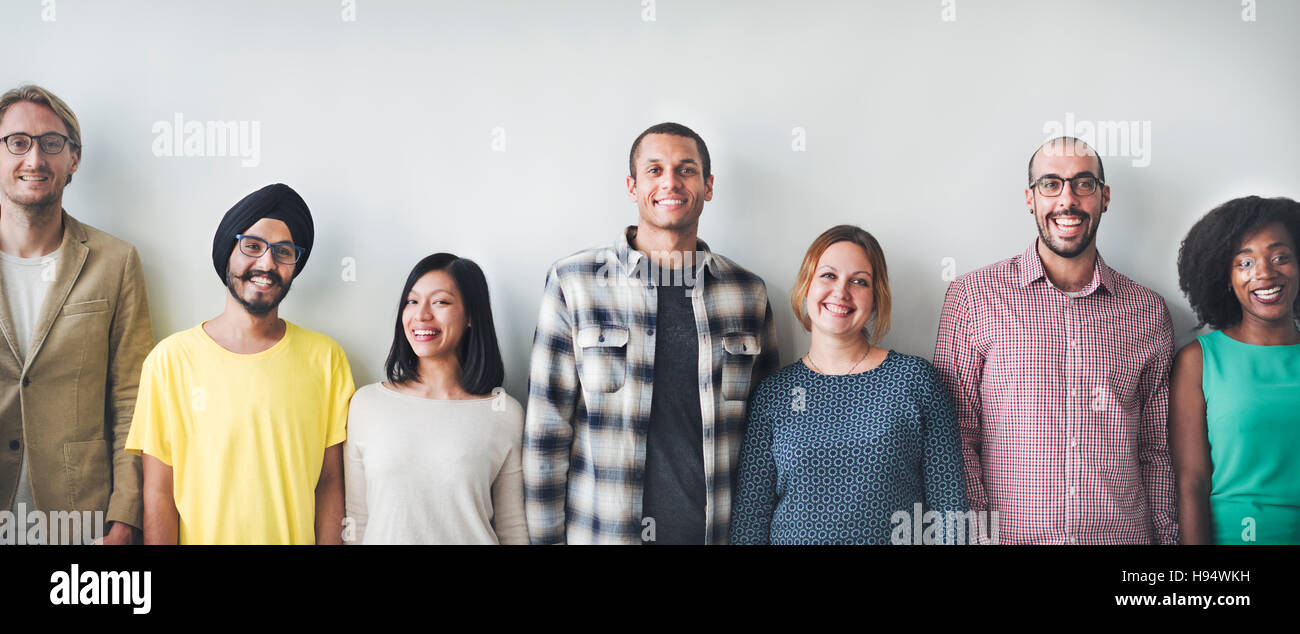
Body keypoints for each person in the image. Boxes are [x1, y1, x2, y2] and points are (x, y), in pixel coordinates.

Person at [523, 122, 779, 544]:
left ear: (708, 185)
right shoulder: (575, 282)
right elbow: (546, 433)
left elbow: (766, 436)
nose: (670, 182)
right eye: (654, 170)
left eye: (686, 169)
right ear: (632, 186)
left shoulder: (747, 293)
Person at [933, 136, 1178, 544]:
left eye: (1084, 183)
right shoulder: (973, 296)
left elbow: (1156, 450)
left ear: (1105, 197)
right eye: (1051, 184)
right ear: (1030, 198)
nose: (1068, 199)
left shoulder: (1148, 311)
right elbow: (956, 436)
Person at [126, 183, 354, 545]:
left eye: (283, 252)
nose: (266, 264)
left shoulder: (326, 359)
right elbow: (158, 494)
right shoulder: (169, 361)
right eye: (252, 246)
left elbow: (329, 485)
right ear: (227, 253)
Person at [731, 225, 967, 545]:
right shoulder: (774, 394)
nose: (841, 292)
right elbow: (750, 520)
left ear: (875, 298)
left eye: (859, 281)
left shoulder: (915, 381)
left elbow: (950, 511)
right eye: (828, 275)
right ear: (806, 286)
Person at [0, 85, 153, 545]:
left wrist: (125, 517)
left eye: (51, 143)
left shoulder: (115, 261)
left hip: (79, 515)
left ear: (74, 160)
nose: (34, 158)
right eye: (17, 141)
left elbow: (133, 401)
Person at [343, 253, 526, 544]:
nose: (421, 315)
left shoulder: (504, 411)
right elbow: (357, 520)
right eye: (412, 301)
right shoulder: (366, 405)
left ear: (470, 316)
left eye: (440, 302)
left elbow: (513, 529)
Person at [1171, 195, 1300, 545]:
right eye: (1245, 262)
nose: (1265, 272)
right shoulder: (1199, 360)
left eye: (1280, 257)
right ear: (1226, 278)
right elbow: (1192, 482)